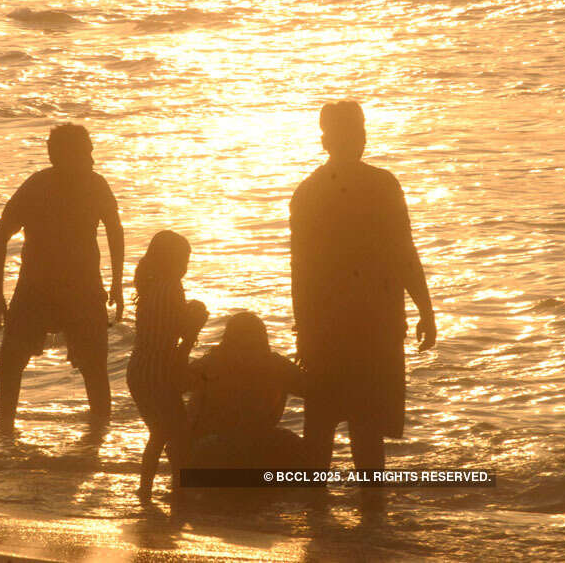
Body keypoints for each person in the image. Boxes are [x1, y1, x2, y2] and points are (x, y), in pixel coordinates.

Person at [290, 100, 437, 472]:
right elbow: (404, 252)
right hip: (375, 325)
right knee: (365, 428)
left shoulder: (307, 192)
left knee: (321, 425)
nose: (361, 139)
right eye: (357, 132)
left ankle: (319, 515)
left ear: (326, 143)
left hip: (329, 328)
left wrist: (305, 334)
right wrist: (425, 309)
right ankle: (371, 519)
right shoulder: (382, 185)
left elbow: (300, 273)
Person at [0, 123, 124, 432]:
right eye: (86, 152)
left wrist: (117, 283)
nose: (92, 159)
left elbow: (115, 233)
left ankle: (99, 434)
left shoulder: (95, 185)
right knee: (12, 363)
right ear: (63, 156)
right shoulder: (38, 186)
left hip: (82, 289)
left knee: (94, 368)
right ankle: (5, 430)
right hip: (40, 288)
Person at [127, 230, 208, 501]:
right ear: (168, 261)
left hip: (142, 370)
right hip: (155, 373)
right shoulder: (169, 289)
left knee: (167, 433)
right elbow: (178, 338)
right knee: (170, 433)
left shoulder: (153, 287)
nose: (185, 268)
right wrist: (195, 324)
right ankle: (159, 492)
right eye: (182, 261)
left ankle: (160, 490)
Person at [185, 311, 306, 469]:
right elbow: (313, 390)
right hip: (255, 443)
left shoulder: (211, 363)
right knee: (298, 449)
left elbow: (175, 386)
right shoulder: (276, 365)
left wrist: (188, 339)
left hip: (216, 446)